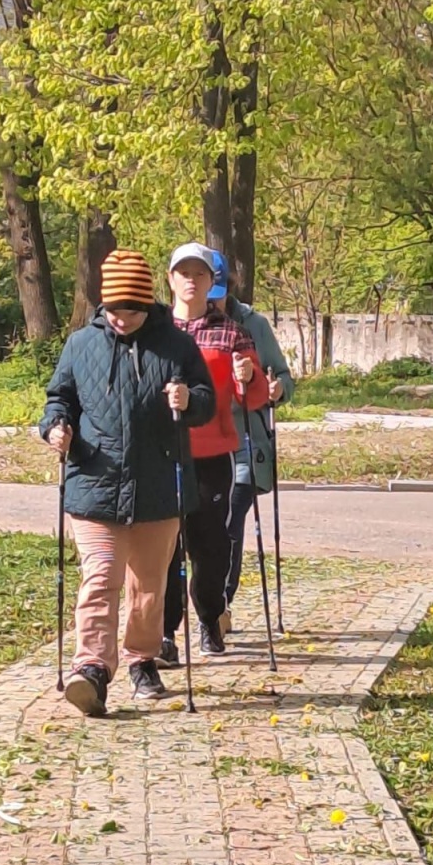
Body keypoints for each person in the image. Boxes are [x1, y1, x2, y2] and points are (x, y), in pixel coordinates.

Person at [40, 248, 215, 717]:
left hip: (159, 485)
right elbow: (59, 398)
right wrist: (56, 426)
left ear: (146, 304)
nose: (121, 318)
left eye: (131, 310)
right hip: (94, 483)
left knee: (148, 586)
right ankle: (92, 669)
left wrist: (188, 398)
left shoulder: (176, 345)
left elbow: (207, 401)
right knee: (100, 578)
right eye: (114, 309)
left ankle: (142, 660)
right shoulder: (80, 345)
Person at [158, 242, 269, 664]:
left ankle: (208, 616)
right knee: (164, 547)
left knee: (210, 546)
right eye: (183, 272)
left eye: (199, 274)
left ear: (211, 282)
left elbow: (254, 397)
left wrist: (250, 374)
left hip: (212, 454)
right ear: (170, 279)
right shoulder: (156, 333)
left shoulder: (230, 331)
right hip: (164, 455)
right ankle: (165, 632)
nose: (191, 280)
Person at [207, 251, 294, 629]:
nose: (212, 303)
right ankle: (204, 602)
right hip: (199, 440)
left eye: (218, 293)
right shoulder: (176, 326)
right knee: (200, 528)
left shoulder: (253, 325)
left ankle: (220, 605)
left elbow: (284, 377)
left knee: (229, 521)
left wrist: (275, 388)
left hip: (244, 440)